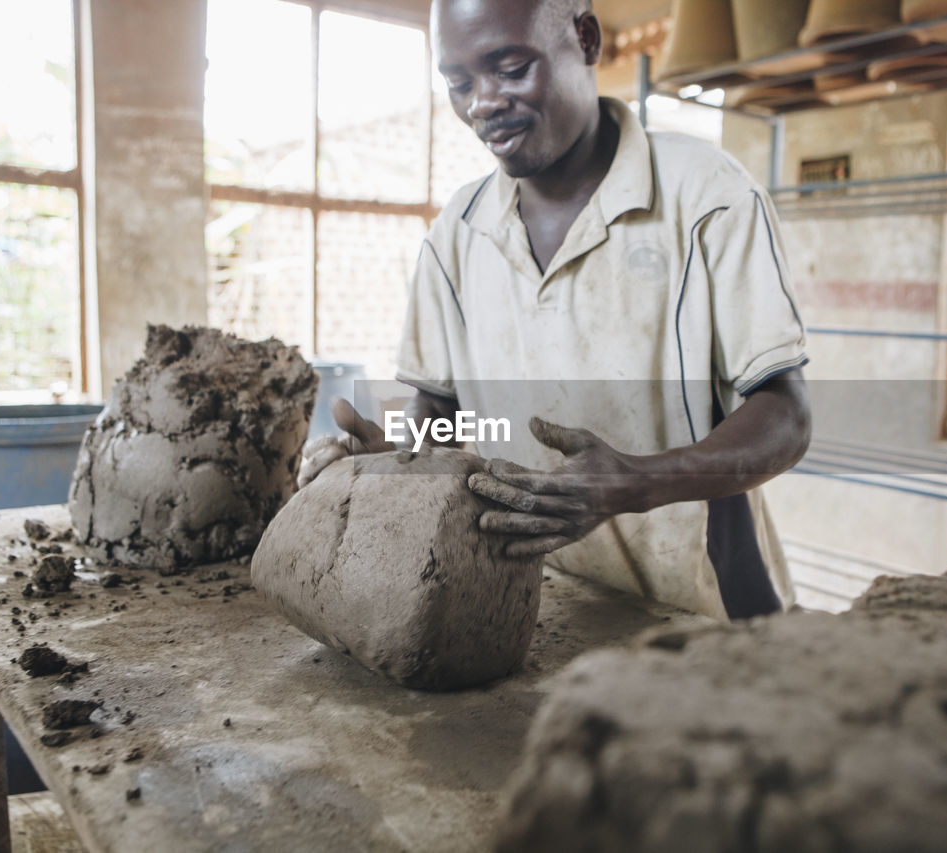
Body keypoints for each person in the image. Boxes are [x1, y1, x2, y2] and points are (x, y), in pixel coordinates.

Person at [301, 0, 811, 621]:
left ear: (586, 39)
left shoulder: (708, 197)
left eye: (511, 68)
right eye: (459, 82)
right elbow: (447, 415)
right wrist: (399, 458)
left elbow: (784, 415)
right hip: (540, 601)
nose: (482, 103)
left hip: (700, 601)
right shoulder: (458, 235)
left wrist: (635, 481)